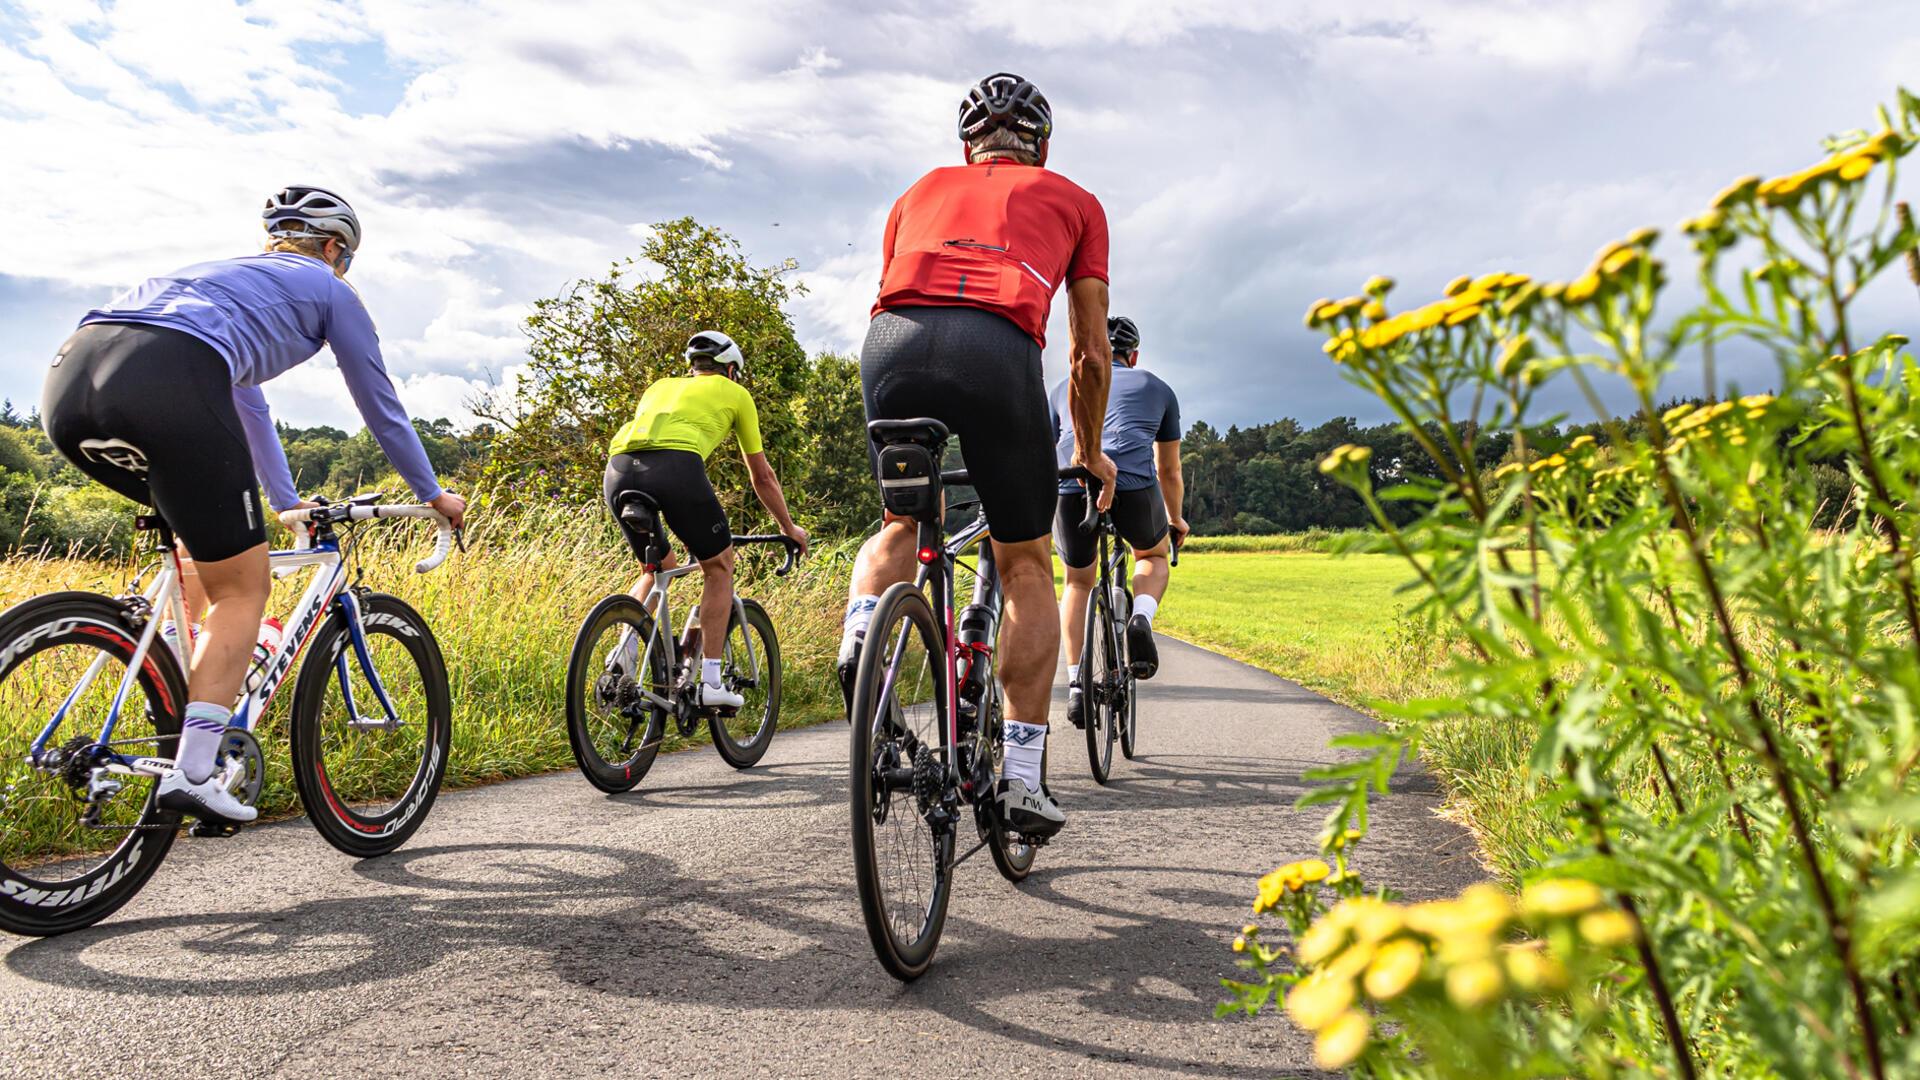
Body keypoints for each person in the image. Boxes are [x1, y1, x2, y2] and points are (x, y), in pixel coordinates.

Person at [41, 185, 467, 827]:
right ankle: (194, 770)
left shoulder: (217, 282)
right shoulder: (330, 290)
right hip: (171, 379)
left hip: (71, 381)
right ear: (334, 249)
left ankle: (166, 698)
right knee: (246, 586)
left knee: (199, 552)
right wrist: (433, 493)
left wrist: (287, 502)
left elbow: (248, 404)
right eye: (344, 258)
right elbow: (378, 404)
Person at [837, 72, 1116, 838]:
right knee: (1025, 561)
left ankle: (862, 633)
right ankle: (1022, 779)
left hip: (892, 345)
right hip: (996, 347)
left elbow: (898, 289)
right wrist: (1088, 452)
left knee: (899, 522)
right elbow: (1090, 354)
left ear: (967, 145)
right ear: (1042, 144)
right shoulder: (1076, 201)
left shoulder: (917, 191)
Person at [604, 331, 809, 707]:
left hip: (618, 471)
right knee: (719, 567)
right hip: (677, 470)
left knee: (656, 568)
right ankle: (712, 683)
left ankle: (624, 650)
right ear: (731, 369)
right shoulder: (737, 394)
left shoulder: (659, 386)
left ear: (693, 366)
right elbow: (761, 476)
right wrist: (787, 527)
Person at [1053, 316, 1188, 726]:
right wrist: (1175, 518)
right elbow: (1169, 471)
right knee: (1152, 556)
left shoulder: (1062, 387)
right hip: (1131, 484)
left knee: (1077, 580)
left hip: (1070, 483)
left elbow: (1046, 449)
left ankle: (1076, 684)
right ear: (1134, 355)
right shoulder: (1157, 387)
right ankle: (1141, 617)